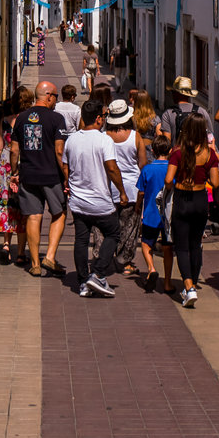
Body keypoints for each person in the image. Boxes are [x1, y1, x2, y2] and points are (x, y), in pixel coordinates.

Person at [62, 98, 126, 297]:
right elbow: (112, 168)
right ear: (98, 119)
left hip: (79, 202)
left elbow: (65, 166)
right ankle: (97, 273)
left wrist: (69, 183)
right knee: (114, 233)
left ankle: (82, 282)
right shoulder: (104, 139)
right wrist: (122, 191)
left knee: (81, 240)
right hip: (100, 201)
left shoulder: (72, 139)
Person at [9, 80, 67, 277]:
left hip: (28, 175)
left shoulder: (21, 118)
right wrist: (66, 177)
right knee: (59, 213)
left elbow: (14, 150)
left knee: (33, 216)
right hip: (51, 176)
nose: (56, 101)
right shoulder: (57, 119)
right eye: (55, 97)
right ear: (49, 96)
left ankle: (34, 263)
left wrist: (14, 173)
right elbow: (59, 151)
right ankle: (49, 257)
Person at [163, 112, 219, 307]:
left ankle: (189, 286)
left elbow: (168, 179)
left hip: (182, 199)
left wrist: (171, 188)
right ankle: (193, 283)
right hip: (200, 200)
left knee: (181, 246)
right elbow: (215, 181)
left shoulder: (178, 153)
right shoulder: (209, 154)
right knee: (196, 245)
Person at [0, 87, 33, 262]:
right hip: (25, 165)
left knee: (7, 206)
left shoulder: (4, 121)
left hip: (5, 167)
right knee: (24, 207)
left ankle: (5, 245)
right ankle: (20, 253)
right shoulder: (30, 122)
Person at [104, 98, 146, 274]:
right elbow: (142, 163)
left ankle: (106, 257)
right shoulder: (135, 136)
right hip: (132, 188)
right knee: (130, 227)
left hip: (110, 187)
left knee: (111, 225)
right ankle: (125, 261)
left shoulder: (105, 136)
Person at [134, 133, 171, 291]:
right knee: (168, 247)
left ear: (153, 151)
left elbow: (141, 192)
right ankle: (168, 282)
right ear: (169, 150)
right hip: (168, 214)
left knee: (146, 242)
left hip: (150, 213)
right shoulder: (172, 168)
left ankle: (151, 268)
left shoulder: (147, 169)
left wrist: (137, 207)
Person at [161, 76, 214, 146]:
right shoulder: (202, 111)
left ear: (175, 94)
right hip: (198, 155)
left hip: (177, 155)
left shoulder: (168, 113)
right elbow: (210, 139)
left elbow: (166, 143)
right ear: (189, 95)